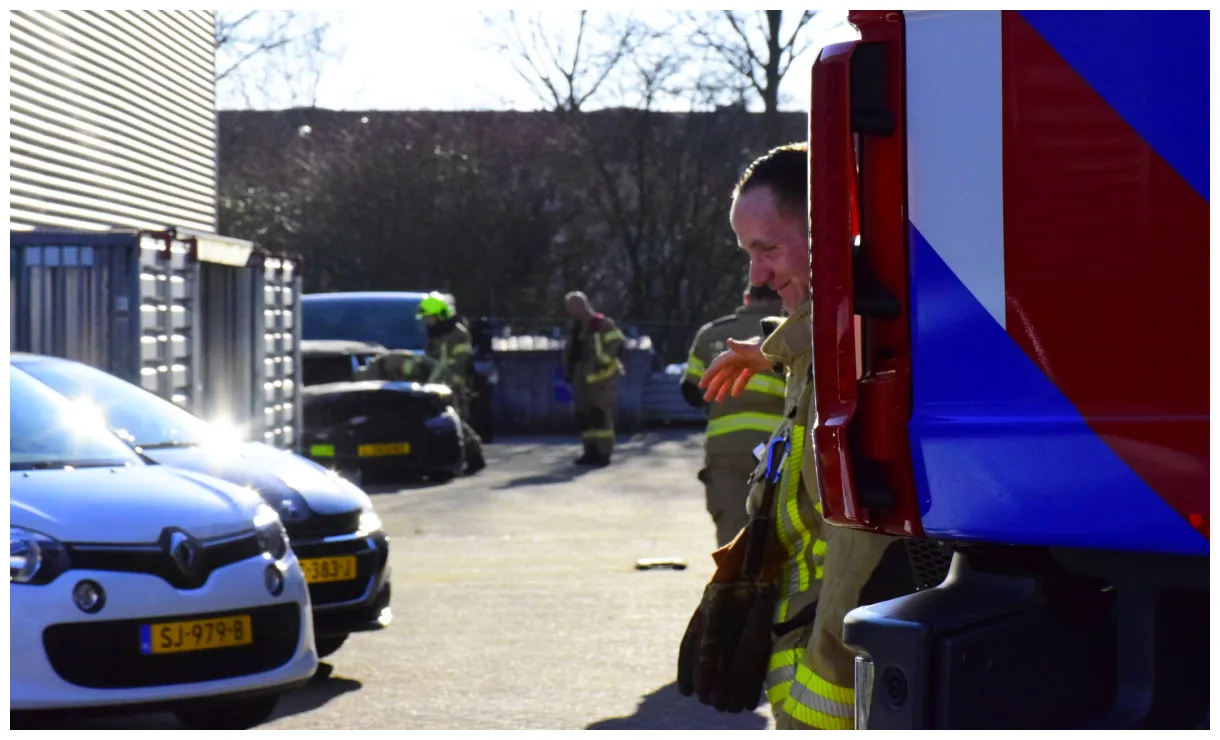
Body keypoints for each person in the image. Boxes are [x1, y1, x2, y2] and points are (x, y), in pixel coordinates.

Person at [675, 143, 905, 729]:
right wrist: (774, 350)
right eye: (748, 253)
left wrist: (822, 695)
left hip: (822, 688)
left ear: (830, 232)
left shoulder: (856, 363)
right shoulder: (823, 345)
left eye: (768, 249)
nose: (755, 275)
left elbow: (856, 551)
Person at [681, 283, 787, 547]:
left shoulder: (711, 334)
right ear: (781, 297)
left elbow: (691, 391)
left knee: (732, 528)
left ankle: (733, 573)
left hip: (725, 449)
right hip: (776, 448)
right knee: (781, 528)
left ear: (747, 298)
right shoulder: (792, 335)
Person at [416, 293, 486, 474]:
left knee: (456, 421)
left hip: (453, 385)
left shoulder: (457, 334)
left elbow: (456, 363)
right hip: (437, 384)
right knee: (447, 422)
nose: (426, 321)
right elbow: (431, 360)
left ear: (439, 315)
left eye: (428, 317)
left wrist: (442, 382)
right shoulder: (437, 333)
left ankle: (475, 456)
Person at [561, 291, 625, 466]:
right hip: (580, 376)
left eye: (571, 307)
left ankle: (603, 453)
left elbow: (617, 343)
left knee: (600, 414)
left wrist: (601, 363)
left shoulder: (601, 323)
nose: (569, 311)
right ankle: (590, 451)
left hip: (599, 378)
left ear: (581, 305)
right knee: (584, 415)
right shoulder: (574, 326)